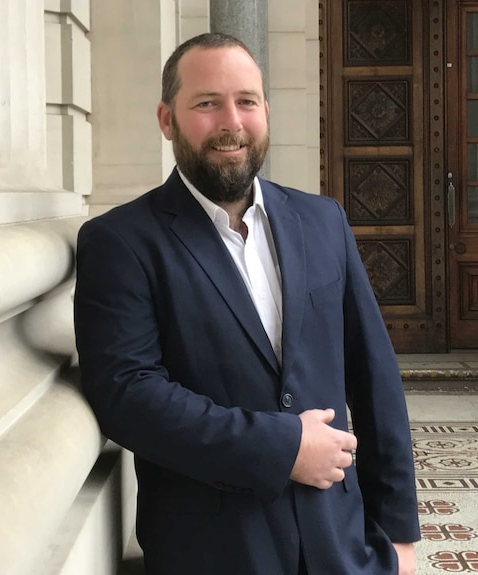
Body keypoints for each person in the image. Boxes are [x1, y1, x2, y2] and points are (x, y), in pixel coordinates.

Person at [74, 32, 420, 575]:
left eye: (247, 101)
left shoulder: (323, 220)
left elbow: (374, 376)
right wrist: (283, 448)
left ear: (266, 112)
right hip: (215, 551)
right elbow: (127, 394)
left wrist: (399, 536)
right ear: (168, 120)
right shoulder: (119, 242)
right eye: (207, 103)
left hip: (342, 545)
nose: (230, 122)